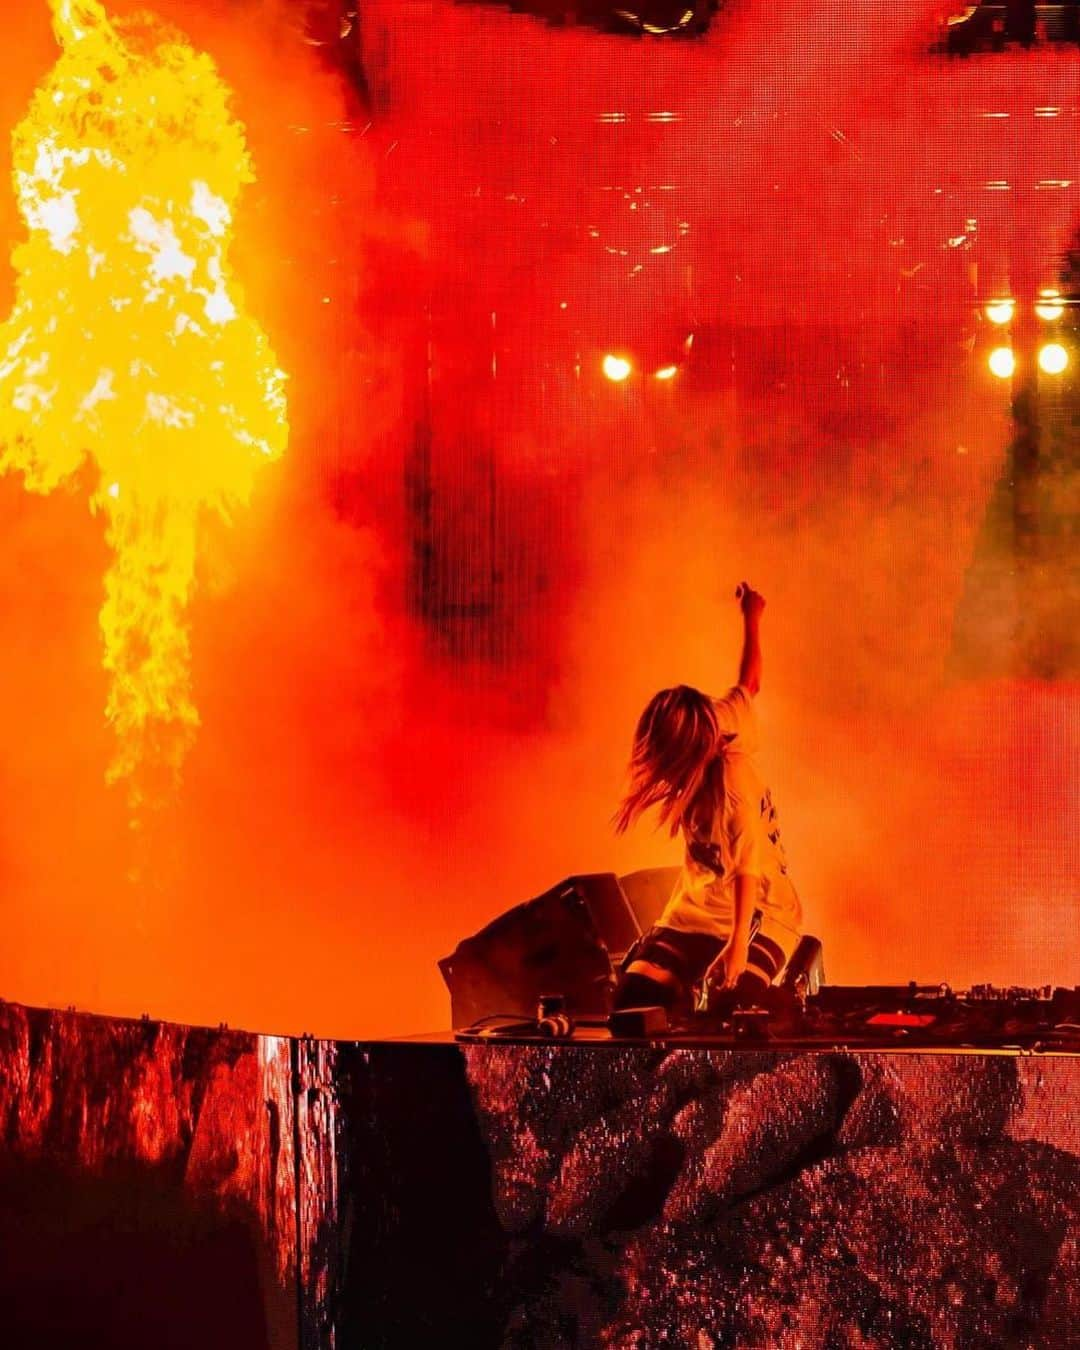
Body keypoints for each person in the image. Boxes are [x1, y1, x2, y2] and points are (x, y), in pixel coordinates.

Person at [612, 582, 802, 1013]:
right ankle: (681, 1000)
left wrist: (736, 948)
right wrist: (752, 616)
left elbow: (746, 873)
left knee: (731, 1009)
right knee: (633, 1000)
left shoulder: (729, 788)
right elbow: (749, 682)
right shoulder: (718, 719)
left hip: (760, 910)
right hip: (697, 909)